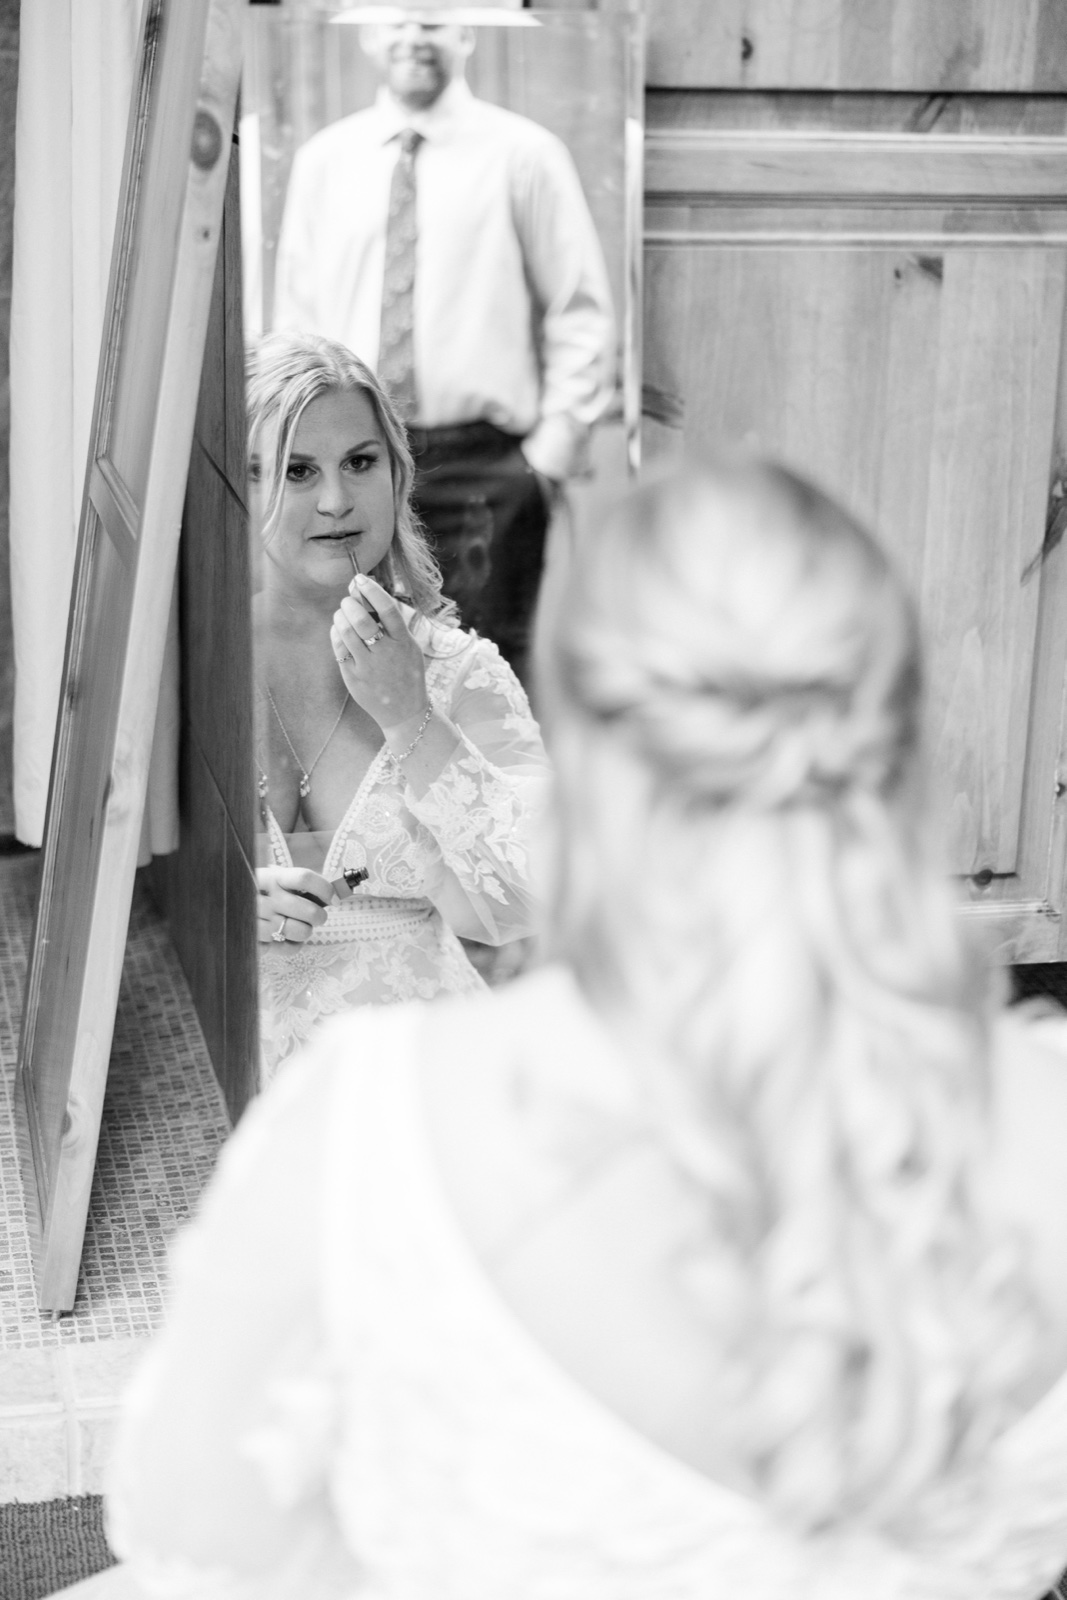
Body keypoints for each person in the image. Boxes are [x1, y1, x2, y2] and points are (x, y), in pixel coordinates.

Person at [100, 461, 1067, 1597]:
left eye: (358, 462)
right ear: (897, 747)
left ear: (587, 759)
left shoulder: (368, 1124)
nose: (329, 495)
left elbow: (190, 1535)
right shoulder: (1042, 1119)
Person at [272, 11, 616, 683]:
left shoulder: (525, 154)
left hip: (483, 466)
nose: (413, 37)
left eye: (434, 19)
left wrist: (547, 457)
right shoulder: (324, 162)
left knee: (486, 671)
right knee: (345, 663)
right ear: (368, 34)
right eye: (395, 19)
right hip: (348, 459)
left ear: (468, 33)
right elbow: (296, 317)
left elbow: (579, 309)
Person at [250, 330, 547, 1082]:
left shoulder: (458, 671)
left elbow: (526, 900)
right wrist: (220, 904)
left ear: (396, 475)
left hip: (418, 1078)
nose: (335, 500)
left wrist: (411, 718)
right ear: (241, 484)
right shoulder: (183, 673)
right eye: (297, 471)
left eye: (360, 461)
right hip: (221, 1058)